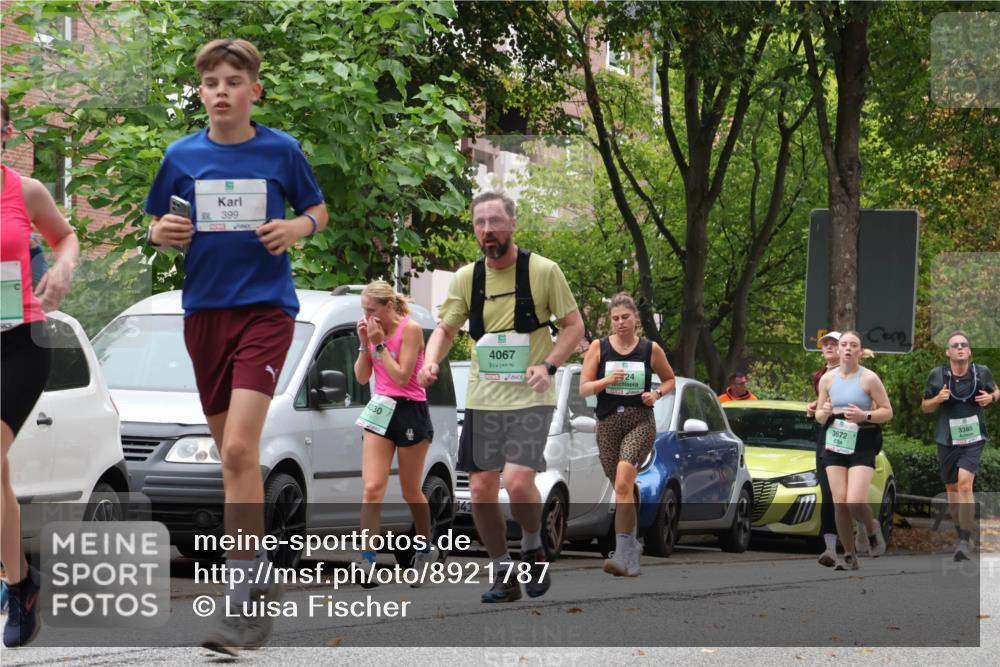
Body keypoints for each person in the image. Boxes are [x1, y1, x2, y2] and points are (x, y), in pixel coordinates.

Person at [144, 39, 328, 655]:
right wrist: (163, 233)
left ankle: (242, 598)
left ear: (254, 90)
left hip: (265, 313)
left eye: (233, 81)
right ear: (201, 93)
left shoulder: (281, 150)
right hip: (204, 317)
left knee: (243, 448)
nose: (221, 90)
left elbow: (317, 210)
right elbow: (157, 223)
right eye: (211, 82)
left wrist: (295, 227)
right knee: (232, 461)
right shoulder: (181, 155)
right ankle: (258, 578)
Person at [417, 191, 584, 603]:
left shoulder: (543, 271)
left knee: (517, 479)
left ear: (512, 224)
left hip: (531, 396)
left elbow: (574, 326)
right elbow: (446, 329)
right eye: (480, 223)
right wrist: (431, 362)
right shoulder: (466, 278)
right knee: (480, 489)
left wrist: (549, 367)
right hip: (484, 395)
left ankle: (532, 543)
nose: (488, 229)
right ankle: (503, 570)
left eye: (495, 221)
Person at [2, 97, 81, 648]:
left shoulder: (25, 191)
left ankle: (18, 582)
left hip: (20, 340)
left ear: (5, 130)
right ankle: (20, 581)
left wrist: (62, 267)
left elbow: (66, 236)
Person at [580, 293, 675, 577]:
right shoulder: (599, 347)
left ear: (635, 319)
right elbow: (584, 388)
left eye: (625, 317)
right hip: (608, 422)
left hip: (640, 421)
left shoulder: (650, 349)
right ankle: (632, 545)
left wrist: (656, 393)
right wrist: (606, 381)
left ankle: (622, 554)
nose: (620, 323)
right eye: (615, 319)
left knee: (623, 480)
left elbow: (670, 378)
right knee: (623, 488)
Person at [353, 281, 438, 586]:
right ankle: (367, 560)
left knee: (410, 490)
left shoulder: (411, 329)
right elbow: (363, 377)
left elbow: (403, 377)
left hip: (410, 409)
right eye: (364, 311)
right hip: (380, 409)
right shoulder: (372, 333)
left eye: (372, 310)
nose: (368, 316)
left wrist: (379, 344)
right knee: (372, 487)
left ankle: (425, 548)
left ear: (388, 307)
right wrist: (365, 343)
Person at [814, 331, 893, 570]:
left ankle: (871, 528)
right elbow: (818, 416)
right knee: (839, 501)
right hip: (835, 439)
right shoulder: (827, 379)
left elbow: (887, 412)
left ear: (859, 351)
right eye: (844, 345)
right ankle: (849, 554)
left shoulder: (869, 378)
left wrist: (865, 415)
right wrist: (825, 412)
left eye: (853, 345)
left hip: (863, 439)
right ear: (838, 350)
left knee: (855, 500)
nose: (848, 349)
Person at [920, 331, 998, 561]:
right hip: (947, 439)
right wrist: (937, 399)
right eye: (955, 345)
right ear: (948, 352)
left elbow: (996, 391)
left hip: (974, 437)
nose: (960, 348)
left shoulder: (981, 372)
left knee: (965, 485)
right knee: (952, 491)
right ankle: (962, 534)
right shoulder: (937, 376)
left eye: (964, 345)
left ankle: (965, 539)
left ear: (970, 351)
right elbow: (925, 407)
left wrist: (991, 399)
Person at [807, 331, 842, 567]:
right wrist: (815, 408)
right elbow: (821, 408)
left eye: (834, 343)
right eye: (825, 344)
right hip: (827, 436)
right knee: (828, 494)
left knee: (847, 497)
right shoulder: (819, 375)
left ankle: (865, 526)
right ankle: (830, 546)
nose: (829, 347)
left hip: (854, 437)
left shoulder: (859, 375)